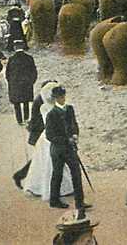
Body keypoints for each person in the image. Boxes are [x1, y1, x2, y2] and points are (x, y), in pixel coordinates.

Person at [46, 85, 89, 216]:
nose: (62, 99)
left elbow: (74, 124)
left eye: (63, 96)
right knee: (57, 174)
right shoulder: (51, 114)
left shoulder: (70, 109)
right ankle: (54, 200)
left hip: (70, 149)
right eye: (59, 97)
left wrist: (75, 134)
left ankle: (80, 202)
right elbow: (50, 135)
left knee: (76, 173)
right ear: (54, 99)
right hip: (58, 150)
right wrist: (66, 140)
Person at [13, 79, 58, 189]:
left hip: (41, 132)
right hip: (39, 133)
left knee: (42, 158)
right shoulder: (42, 101)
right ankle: (22, 176)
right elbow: (43, 120)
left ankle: (22, 176)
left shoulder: (42, 99)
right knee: (42, 158)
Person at [6, 40, 37, 125]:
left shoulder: (11, 59)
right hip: (26, 84)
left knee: (17, 104)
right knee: (26, 102)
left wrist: (11, 83)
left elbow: (7, 73)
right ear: (23, 47)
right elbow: (34, 72)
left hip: (15, 84)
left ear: (15, 47)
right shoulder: (29, 58)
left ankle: (19, 120)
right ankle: (26, 119)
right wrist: (31, 82)